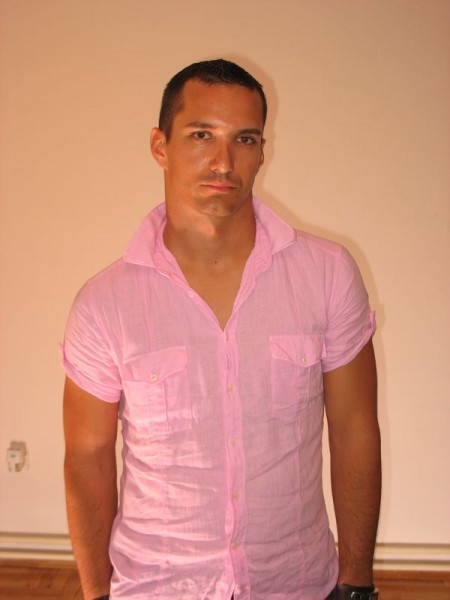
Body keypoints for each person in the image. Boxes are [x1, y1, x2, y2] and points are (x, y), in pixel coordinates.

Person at [62, 59, 381, 600]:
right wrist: (96, 595)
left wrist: (356, 585)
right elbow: (87, 457)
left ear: (262, 151)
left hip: (296, 583)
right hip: (158, 586)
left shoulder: (327, 275)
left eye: (244, 139)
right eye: (201, 135)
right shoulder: (104, 304)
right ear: (160, 146)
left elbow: (354, 429)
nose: (223, 161)